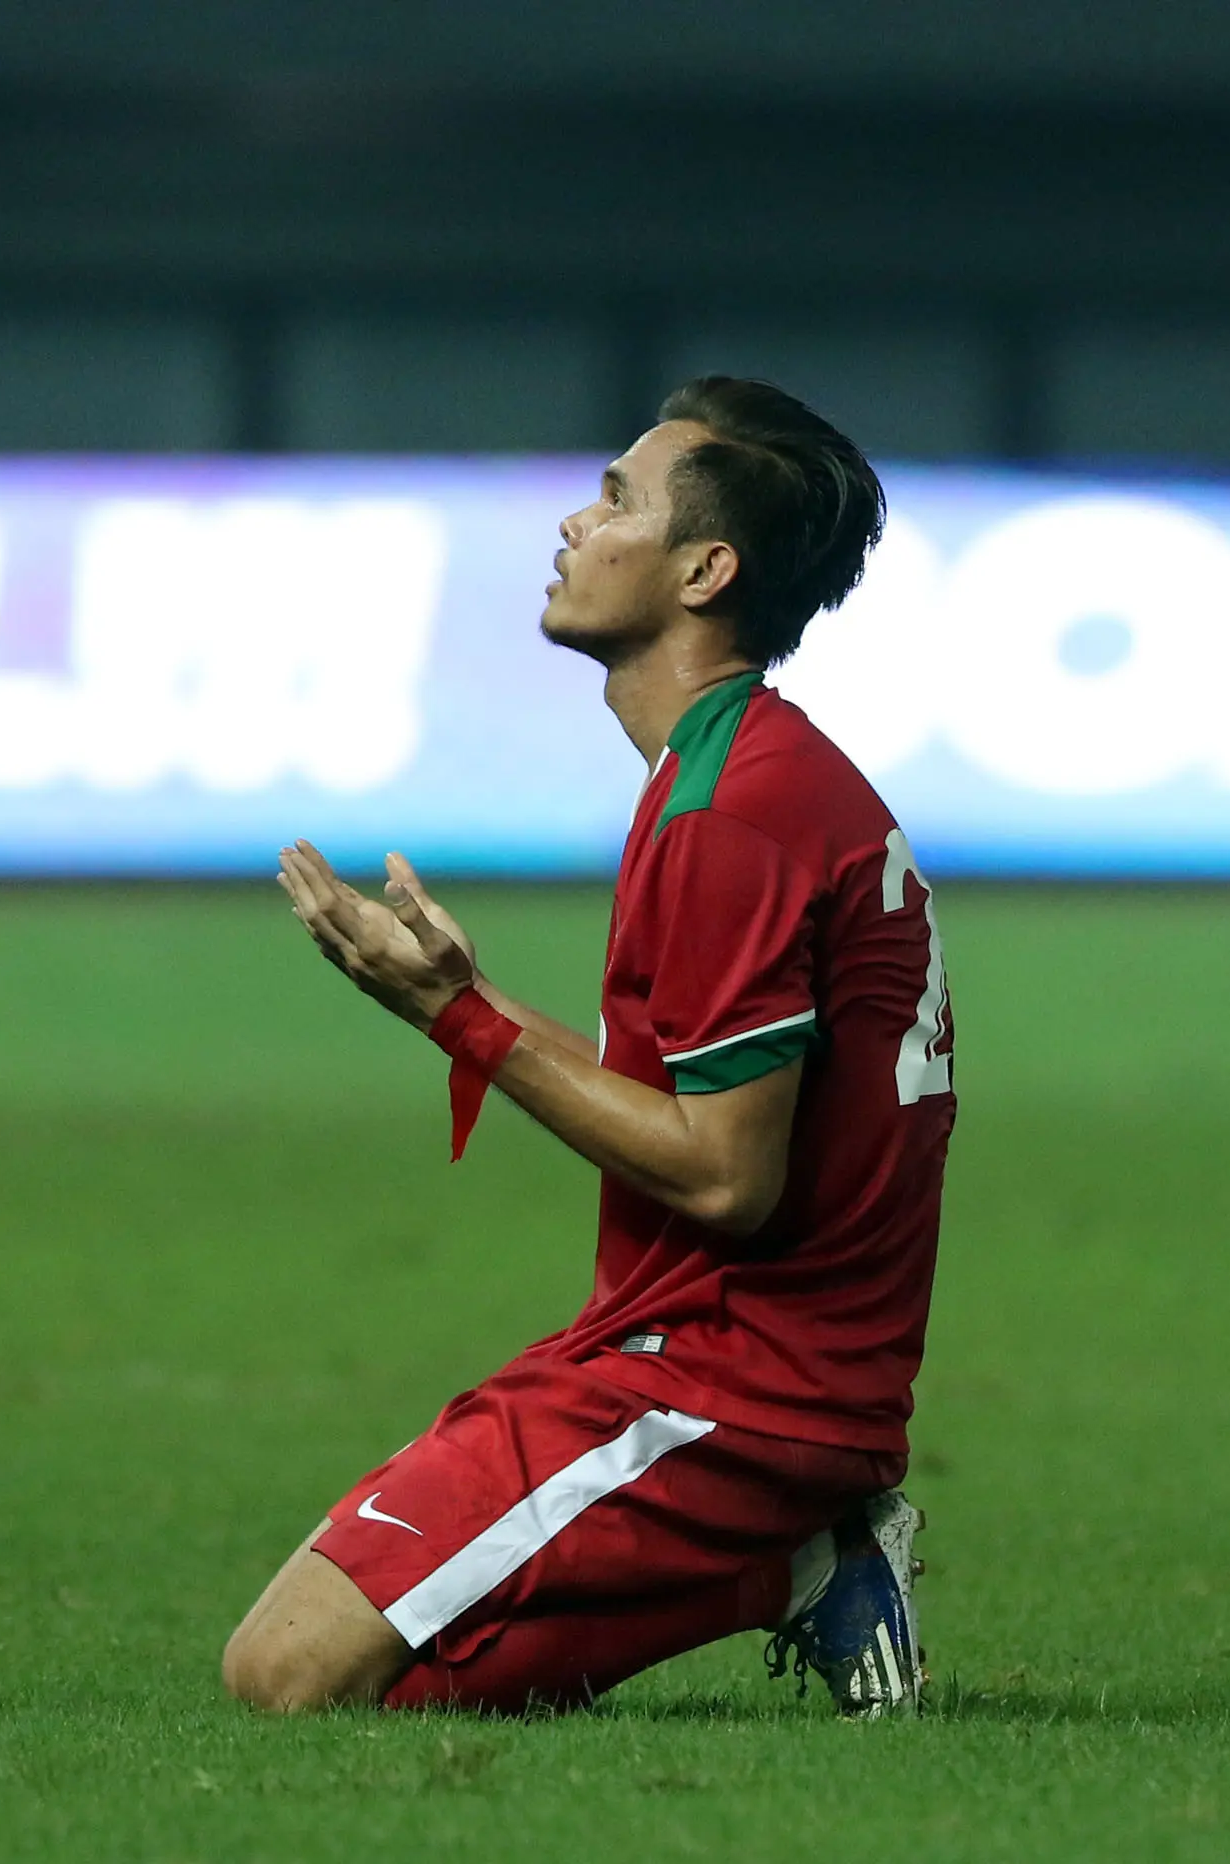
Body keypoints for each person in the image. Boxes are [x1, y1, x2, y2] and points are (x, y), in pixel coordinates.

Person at [230, 377, 959, 1717]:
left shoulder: (735, 811)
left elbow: (730, 1176)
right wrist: (472, 995)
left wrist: (455, 1018)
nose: (576, 522)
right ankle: (805, 1558)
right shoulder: (738, 771)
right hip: (712, 1357)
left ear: (705, 568)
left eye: (618, 499)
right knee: (360, 1687)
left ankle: (795, 1547)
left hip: (738, 1387)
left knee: (287, 1677)